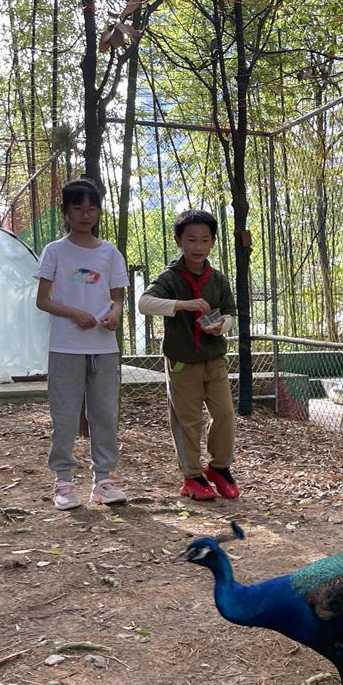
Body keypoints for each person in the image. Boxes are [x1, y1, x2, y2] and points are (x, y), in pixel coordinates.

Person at [35, 178, 129, 510]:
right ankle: (63, 481)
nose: (85, 215)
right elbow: (43, 300)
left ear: (99, 212)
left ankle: (103, 480)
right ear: (65, 211)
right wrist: (74, 313)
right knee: (64, 413)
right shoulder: (55, 251)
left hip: (104, 347)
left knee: (104, 413)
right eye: (78, 208)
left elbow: (117, 298)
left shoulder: (109, 252)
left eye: (92, 208)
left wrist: (115, 314)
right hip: (66, 346)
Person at [138, 209, 240, 501]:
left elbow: (230, 314)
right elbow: (145, 303)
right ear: (178, 241)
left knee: (225, 414)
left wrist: (222, 326)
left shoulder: (217, 279)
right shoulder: (170, 277)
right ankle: (192, 476)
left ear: (213, 242)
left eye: (204, 240)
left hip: (214, 359)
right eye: (191, 239)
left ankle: (219, 468)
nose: (198, 246)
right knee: (187, 420)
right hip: (182, 362)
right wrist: (184, 305)